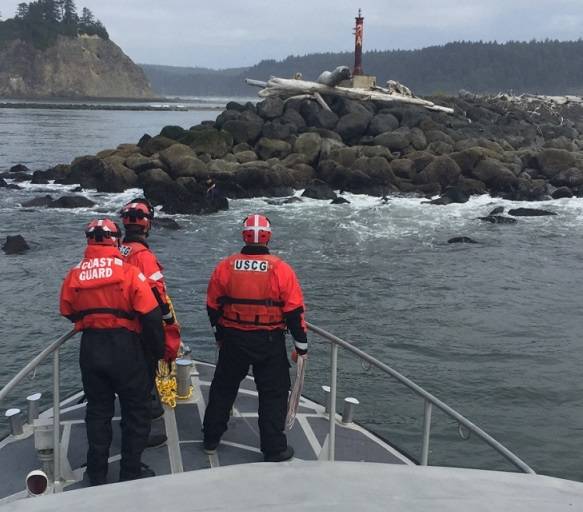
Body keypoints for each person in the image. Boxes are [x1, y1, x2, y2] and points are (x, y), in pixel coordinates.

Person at [60, 219, 165, 485]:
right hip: (125, 349)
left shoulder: (74, 274)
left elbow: (68, 311)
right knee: (135, 411)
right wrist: (157, 352)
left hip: (92, 348)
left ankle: (96, 472)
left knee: (97, 411)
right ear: (115, 240)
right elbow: (151, 316)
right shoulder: (129, 273)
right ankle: (131, 470)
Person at [203, 214, 308, 462]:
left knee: (223, 389)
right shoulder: (281, 269)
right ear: (268, 237)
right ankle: (274, 449)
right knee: (273, 393)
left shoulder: (225, 266)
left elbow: (212, 306)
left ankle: (210, 438)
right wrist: (301, 347)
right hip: (269, 341)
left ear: (244, 236)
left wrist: (220, 334)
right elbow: (294, 312)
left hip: (233, 339)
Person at [119, 199, 182, 434]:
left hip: (122, 325)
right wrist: (168, 321)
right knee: (144, 372)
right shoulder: (143, 256)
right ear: (147, 225)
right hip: (141, 323)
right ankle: (141, 428)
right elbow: (156, 292)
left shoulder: (119, 249)